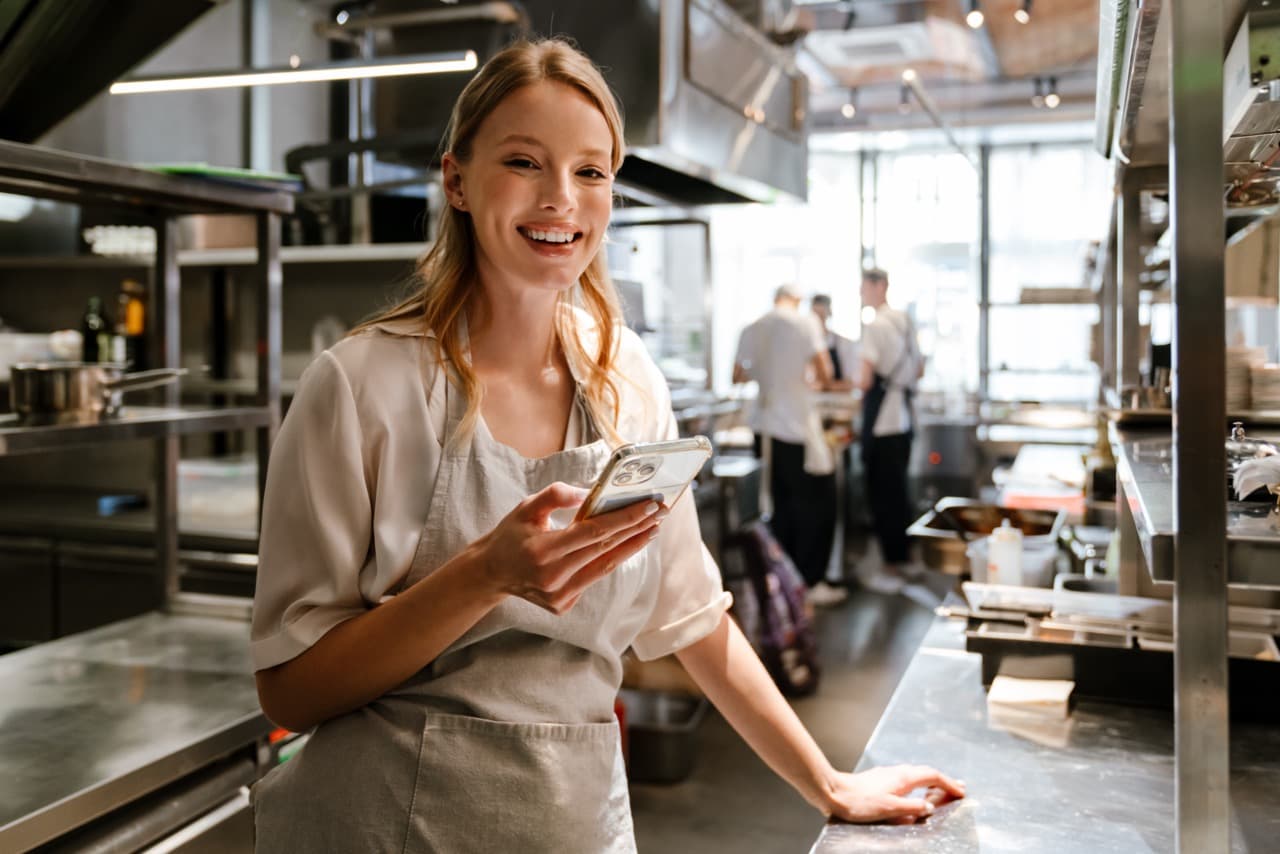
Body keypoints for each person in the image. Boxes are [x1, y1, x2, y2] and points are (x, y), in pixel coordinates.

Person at [250, 40, 962, 853]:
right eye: (525, 162)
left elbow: (692, 616)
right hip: (385, 822)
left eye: (591, 172)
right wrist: (483, 576)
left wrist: (827, 783)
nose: (562, 199)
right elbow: (290, 690)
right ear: (456, 180)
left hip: (574, 821)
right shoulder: (361, 386)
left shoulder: (623, 375)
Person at [733, 286, 846, 607]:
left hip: (763, 427)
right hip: (794, 426)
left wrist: (767, 376)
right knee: (813, 506)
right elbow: (825, 374)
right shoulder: (805, 323)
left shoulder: (752, 328)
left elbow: (737, 374)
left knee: (776, 508)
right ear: (795, 301)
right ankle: (809, 581)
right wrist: (801, 380)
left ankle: (782, 583)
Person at [856, 268, 925, 594]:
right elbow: (920, 369)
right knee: (899, 494)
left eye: (863, 287)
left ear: (878, 286)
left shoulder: (876, 325)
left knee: (883, 497)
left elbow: (865, 380)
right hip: (905, 420)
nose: (860, 293)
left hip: (883, 423)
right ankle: (908, 558)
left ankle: (890, 567)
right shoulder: (904, 322)